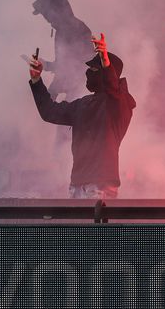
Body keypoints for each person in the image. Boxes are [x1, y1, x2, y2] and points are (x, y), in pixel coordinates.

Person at [28, 33, 135, 199]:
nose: (88, 73)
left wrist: (106, 62)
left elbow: (113, 89)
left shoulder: (120, 104)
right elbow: (49, 112)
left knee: (96, 225)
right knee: (77, 225)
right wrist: (36, 82)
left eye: (93, 69)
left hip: (101, 185)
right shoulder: (82, 104)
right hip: (77, 184)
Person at [31, 0, 94, 101]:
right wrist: (46, 65)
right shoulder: (62, 31)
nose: (46, 18)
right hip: (73, 93)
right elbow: (65, 66)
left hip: (79, 95)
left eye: (46, 13)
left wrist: (69, 98)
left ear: (56, 9)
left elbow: (84, 67)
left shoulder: (77, 29)